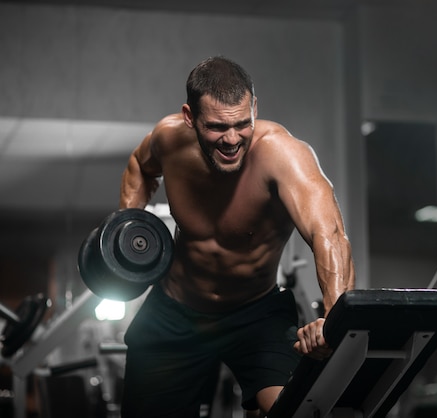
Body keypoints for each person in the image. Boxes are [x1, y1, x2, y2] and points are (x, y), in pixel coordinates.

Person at [117, 56, 355, 417]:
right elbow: (139, 166)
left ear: (254, 108)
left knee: (292, 410)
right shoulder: (169, 140)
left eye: (243, 124)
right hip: (175, 311)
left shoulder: (283, 155)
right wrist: (127, 229)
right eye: (216, 127)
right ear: (189, 117)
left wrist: (334, 318)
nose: (232, 140)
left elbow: (330, 234)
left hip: (255, 313)